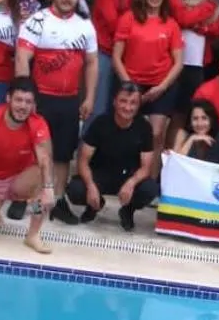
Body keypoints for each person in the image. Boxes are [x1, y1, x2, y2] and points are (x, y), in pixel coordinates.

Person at [16, 0, 98, 202]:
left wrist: (90, 97)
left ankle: (58, 201)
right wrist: (24, 99)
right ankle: (24, 198)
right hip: (40, 97)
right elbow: (22, 59)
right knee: (33, 151)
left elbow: (92, 64)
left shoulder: (85, 26)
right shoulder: (37, 21)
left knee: (62, 154)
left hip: (69, 99)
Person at [0, 77, 53, 255]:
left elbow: (45, 159)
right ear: (8, 99)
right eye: (18, 100)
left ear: (33, 104)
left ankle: (33, 234)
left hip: (20, 181)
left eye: (28, 102)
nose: (23, 106)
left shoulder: (37, 123)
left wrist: (49, 188)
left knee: (42, 183)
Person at [59, 79, 157, 230]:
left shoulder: (144, 127)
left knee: (150, 189)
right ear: (114, 102)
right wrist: (91, 186)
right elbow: (82, 161)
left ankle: (127, 211)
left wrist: (131, 183)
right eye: (123, 101)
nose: (127, 107)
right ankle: (94, 206)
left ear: (138, 105)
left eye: (133, 103)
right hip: (100, 174)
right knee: (75, 189)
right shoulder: (100, 123)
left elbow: (146, 167)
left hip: (128, 176)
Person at [112, 0, 183, 155]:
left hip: (160, 85)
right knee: (127, 133)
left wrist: (161, 87)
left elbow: (178, 62)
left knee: (156, 134)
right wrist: (130, 87)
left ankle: (150, 181)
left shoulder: (171, 24)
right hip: (131, 83)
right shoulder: (128, 18)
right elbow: (116, 57)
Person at [91, 0, 142, 118]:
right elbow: (113, 23)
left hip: (124, 54)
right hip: (104, 51)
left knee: (120, 107)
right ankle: (87, 145)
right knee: (99, 106)